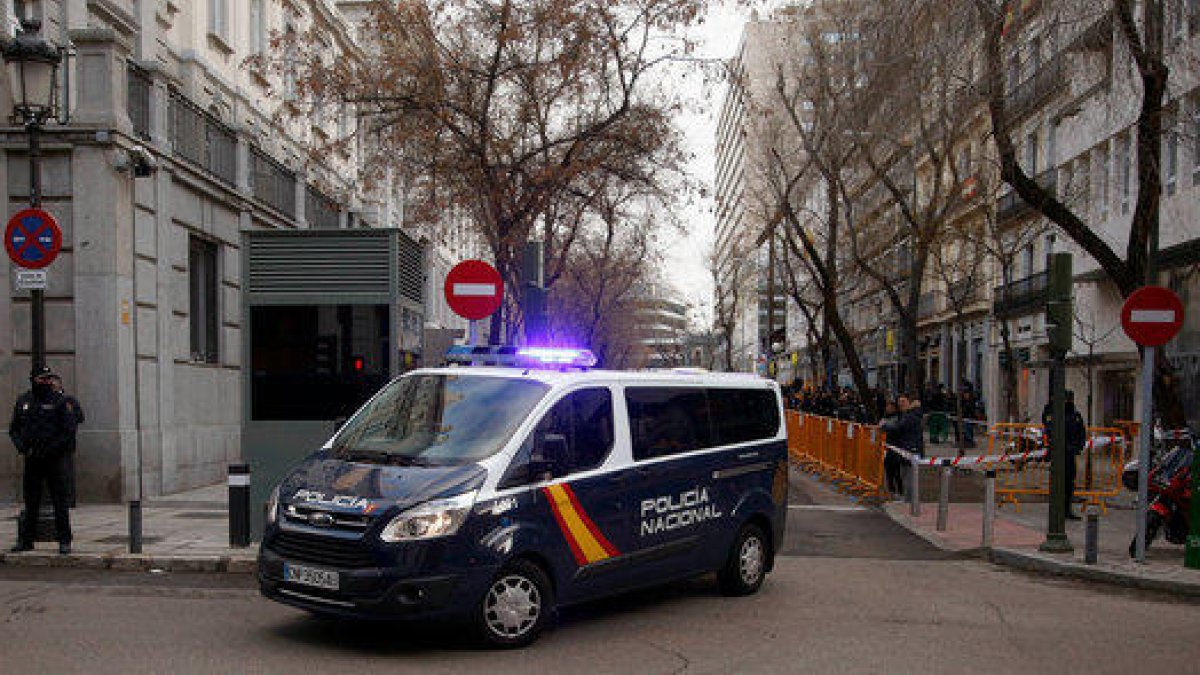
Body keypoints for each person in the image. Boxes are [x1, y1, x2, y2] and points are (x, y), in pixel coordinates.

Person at [9, 366, 79, 554]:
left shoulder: (60, 401)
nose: (46, 382)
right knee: (31, 501)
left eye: (48, 379)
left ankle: (64, 540)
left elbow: (68, 432)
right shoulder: (24, 401)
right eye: (42, 379)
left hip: (54, 460)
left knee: (59, 501)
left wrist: (51, 449)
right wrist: (22, 447)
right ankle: (27, 540)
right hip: (32, 459)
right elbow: (14, 429)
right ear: (33, 379)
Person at [1041, 390, 1086, 520]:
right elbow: (1048, 426)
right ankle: (1056, 510)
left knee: (1069, 483)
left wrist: (1078, 447)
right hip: (1057, 453)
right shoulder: (1053, 413)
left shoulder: (1075, 415)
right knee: (1057, 483)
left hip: (1070, 454)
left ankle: (1067, 509)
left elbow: (1081, 433)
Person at [50, 374, 84, 508]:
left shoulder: (69, 400)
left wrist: (70, 418)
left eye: (54, 384)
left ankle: (68, 500)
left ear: (59, 384)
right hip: (49, 444)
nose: (52, 387)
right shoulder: (47, 400)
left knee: (66, 473)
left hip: (65, 444)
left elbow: (80, 417)